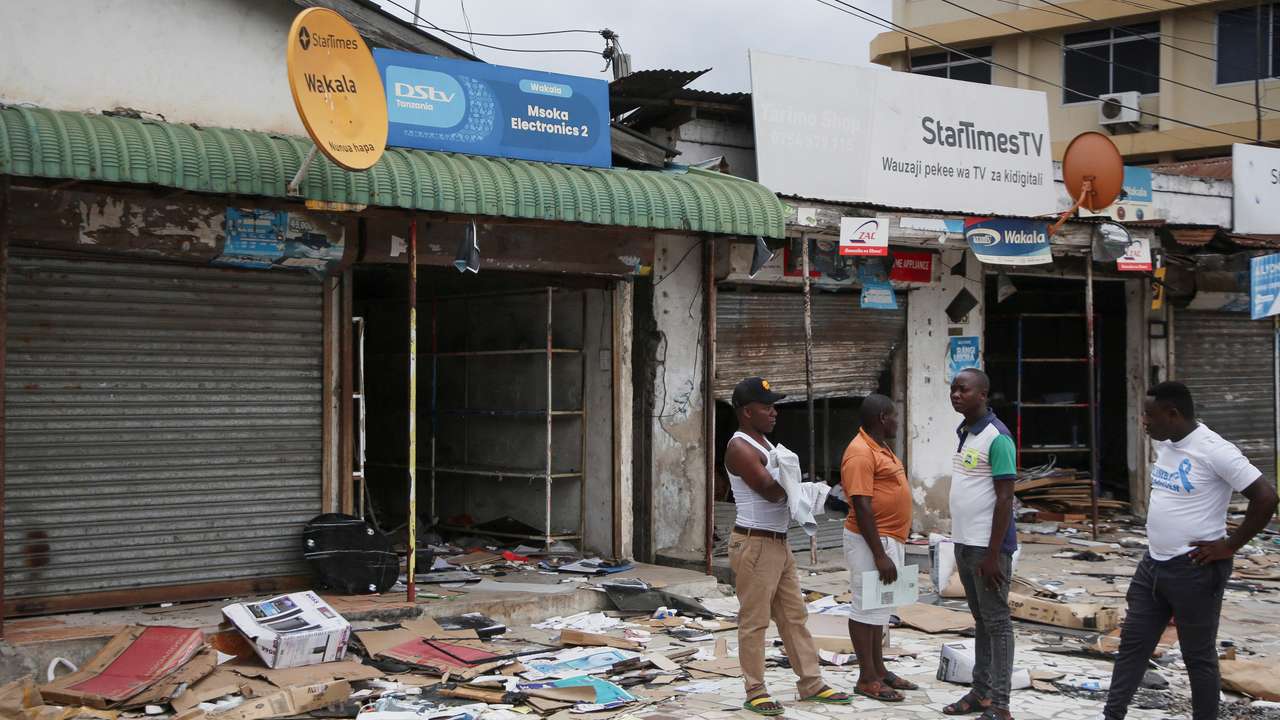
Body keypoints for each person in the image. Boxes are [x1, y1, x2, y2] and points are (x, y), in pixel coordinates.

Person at [1102, 382, 1278, 720]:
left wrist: (1230, 545)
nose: (1144, 421)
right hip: (1153, 564)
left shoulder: (1215, 450)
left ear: (1173, 414)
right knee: (1133, 646)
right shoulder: (1166, 444)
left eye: (1149, 415)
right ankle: (1112, 715)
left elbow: (1266, 497)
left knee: (1197, 657)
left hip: (1195, 569)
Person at [725, 377, 851, 716]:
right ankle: (755, 690)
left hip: (777, 543)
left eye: (774, 406)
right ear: (747, 411)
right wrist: (801, 486)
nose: (774, 412)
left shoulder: (765, 443)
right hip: (754, 543)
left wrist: (808, 489)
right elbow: (771, 491)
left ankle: (811, 683)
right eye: (766, 407)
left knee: (794, 616)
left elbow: (783, 488)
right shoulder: (740, 447)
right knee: (755, 621)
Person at [944, 369, 1017, 720]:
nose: (956, 395)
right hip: (964, 542)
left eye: (964, 390)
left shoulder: (997, 437)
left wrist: (992, 554)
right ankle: (981, 692)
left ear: (983, 394)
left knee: (997, 623)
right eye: (953, 389)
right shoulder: (965, 432)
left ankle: (1000, 704)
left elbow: (1005, 498)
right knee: (981, 620)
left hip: (988, 549)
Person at [840, 393, 917, 702]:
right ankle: (866, 678)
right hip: (871, 541)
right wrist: (879, 554)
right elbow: (861, 505)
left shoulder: (881, 446)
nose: (898, 421)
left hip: (888, 538)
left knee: (880, 607)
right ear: (883, 418)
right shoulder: (860, 452)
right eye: (894, 415)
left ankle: (879, 670)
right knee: (865, 607)